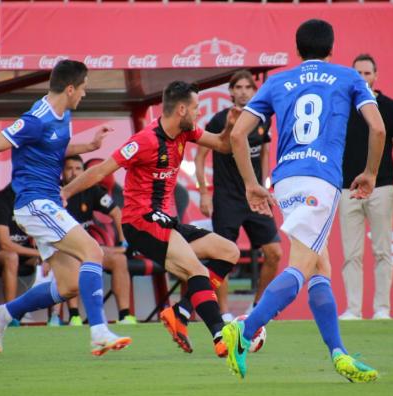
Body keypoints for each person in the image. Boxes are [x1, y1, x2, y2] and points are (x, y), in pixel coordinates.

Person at [221, 19, 386, 382]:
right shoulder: (348, 77)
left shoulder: (278, 81)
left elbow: (237, 135)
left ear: (298, 51)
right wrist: (371, 174)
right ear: (332, 48)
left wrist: (251, 184)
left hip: (285, 180)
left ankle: (339, 354)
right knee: (299, 265)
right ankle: (244, 330)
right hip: (320, 179)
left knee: (319, 266)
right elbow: (377, 127)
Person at [62, 81, 240, 358]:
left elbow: (222, 145)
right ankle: (219, 333)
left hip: (164, 220)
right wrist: (66, 191)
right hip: (140, 222)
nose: (198, 114)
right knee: (197, 270)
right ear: (181, 109)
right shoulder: (144, 141)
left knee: (229, 251)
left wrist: (229, 125)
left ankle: (180, 312)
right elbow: (101, 171)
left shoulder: (187, 131)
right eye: (195, 109)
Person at [0, 60, 131, 357]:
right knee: (93, 251)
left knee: (68, 286)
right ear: (70, 89)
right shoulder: (36, 119)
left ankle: (2, 315)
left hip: (48, 203)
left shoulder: (63, 114)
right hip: (34, 203)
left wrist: (89, 147)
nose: (84, 95)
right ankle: (99, 332)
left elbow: (54, 146)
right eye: (83, 89)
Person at [195, 70, 282, 320]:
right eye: (238, 87)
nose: (243, 91)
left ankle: (258, 308)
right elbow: (200, 157)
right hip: (226, 198)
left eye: (248, 87)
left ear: (254, 92)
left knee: (275, 253)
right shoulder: (219, 120)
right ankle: (223, 315)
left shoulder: (261, 119)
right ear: (231, 92)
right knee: (223, 255)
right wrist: (203, 192)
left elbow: (264, 153)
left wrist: (263, 186)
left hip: (254, 198)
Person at [339, 54, 393, 321]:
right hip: (346, 189)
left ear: (376, 76)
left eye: (367, 73)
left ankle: (382, 309)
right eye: (358, 73)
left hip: (382, 188)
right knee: (351, 254)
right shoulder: (343, 106)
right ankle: (353, 309)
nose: (363, 78)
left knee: (382, 251)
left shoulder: (390, 108)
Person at [61, 155, 135, 325]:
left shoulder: (91, 190)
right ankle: (74, 316)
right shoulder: (56, 192)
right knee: (72, 258)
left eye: (78, 169)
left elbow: (116, 212)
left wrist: (122, 242)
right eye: (69, 168)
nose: (74, 173)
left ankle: (124, 315)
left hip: (87, 248)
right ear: (62, 172)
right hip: (65, 249)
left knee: (119, 259)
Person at [0, 184, 40, 305]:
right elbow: (5, 244)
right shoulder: (1, 199)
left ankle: (55, 316)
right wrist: (39, 253)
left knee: (55, 256)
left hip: (24, 251)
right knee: (11, 257)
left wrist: (46, 253)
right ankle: (11, 314)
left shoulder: (35, 199)